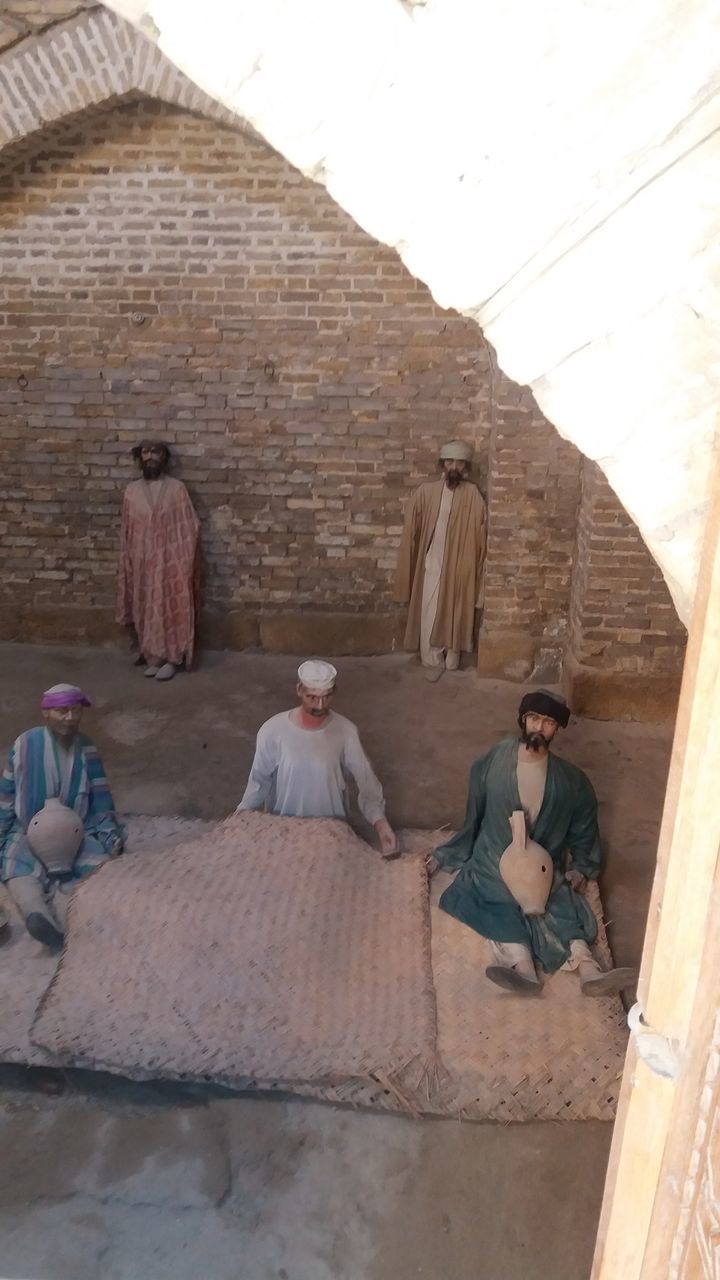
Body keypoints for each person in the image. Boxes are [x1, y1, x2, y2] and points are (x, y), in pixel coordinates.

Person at [427, 689, 636, 996]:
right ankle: (522, 969)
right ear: (523, 720)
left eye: (549, 722)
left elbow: (583, 830)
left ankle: (589, 969)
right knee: (497, 903)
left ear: (557, 728)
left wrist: (581, 866)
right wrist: (449, 854)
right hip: (494, 860)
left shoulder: (571, 782)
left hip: (542, 864)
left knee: (558, 905)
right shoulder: (493, 762)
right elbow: (474, 818)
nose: (539, 727)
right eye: (534, 718)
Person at [0, 684, 124, 949]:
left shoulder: (86, 748)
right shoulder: (24, 745)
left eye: (75, 711)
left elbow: (100, 796)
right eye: (61, 711)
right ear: (46, 713)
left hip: (76, 831)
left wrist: (108, 833)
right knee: (15, 865)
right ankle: (37, 914)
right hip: (28, 830)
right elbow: (6, 795)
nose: (69, 718)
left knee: (101, 868)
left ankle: (74, 918)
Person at [236, 660, 399, 856]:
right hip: (283, 831)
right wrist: (239, 819)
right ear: (299, 690)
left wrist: (381, 825)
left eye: (326, 697)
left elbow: (366, 782)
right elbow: (259, 782)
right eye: (312, 697)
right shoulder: (273, 731)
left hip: (331, 834)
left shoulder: (346, 731)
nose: (320, 705)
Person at [394, 439, 487, 682]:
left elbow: (481, 533)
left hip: (460, 565)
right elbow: (411, 532)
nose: (453, 467)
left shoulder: (472, 495)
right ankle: (432, 659)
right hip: (432, 562)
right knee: (431, 608)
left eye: (458, 462)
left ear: (465, 467)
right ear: (442, 465)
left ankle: (452, 657)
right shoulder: (427, 492)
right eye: (449, 462)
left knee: (457, 607)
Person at [117, 440, 200, 682]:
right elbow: (127, 529)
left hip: (171, 561)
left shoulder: (177, 489)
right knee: (145, 605)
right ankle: (153, 656)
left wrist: (183, 559)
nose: (150, 456)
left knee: (170, 606)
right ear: (139, 457)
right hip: (142, 560)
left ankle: (173, 657)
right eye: (145, 452)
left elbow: (190, 525)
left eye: (156, 452)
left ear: (164, 457)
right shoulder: (131, 492)